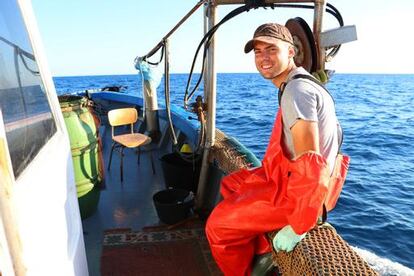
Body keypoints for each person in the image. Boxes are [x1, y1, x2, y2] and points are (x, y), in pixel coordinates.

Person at [205, 23, 349, 276]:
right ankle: (262, 247)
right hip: (288, 179)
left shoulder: (296, 92)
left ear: (292, 52)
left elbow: (311, 164)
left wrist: (300, 224)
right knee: (231, 184)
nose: (263, 58)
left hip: (301, 195)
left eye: (272, 49)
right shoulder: (299, 83)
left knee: (218, 226)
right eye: (258, 51)